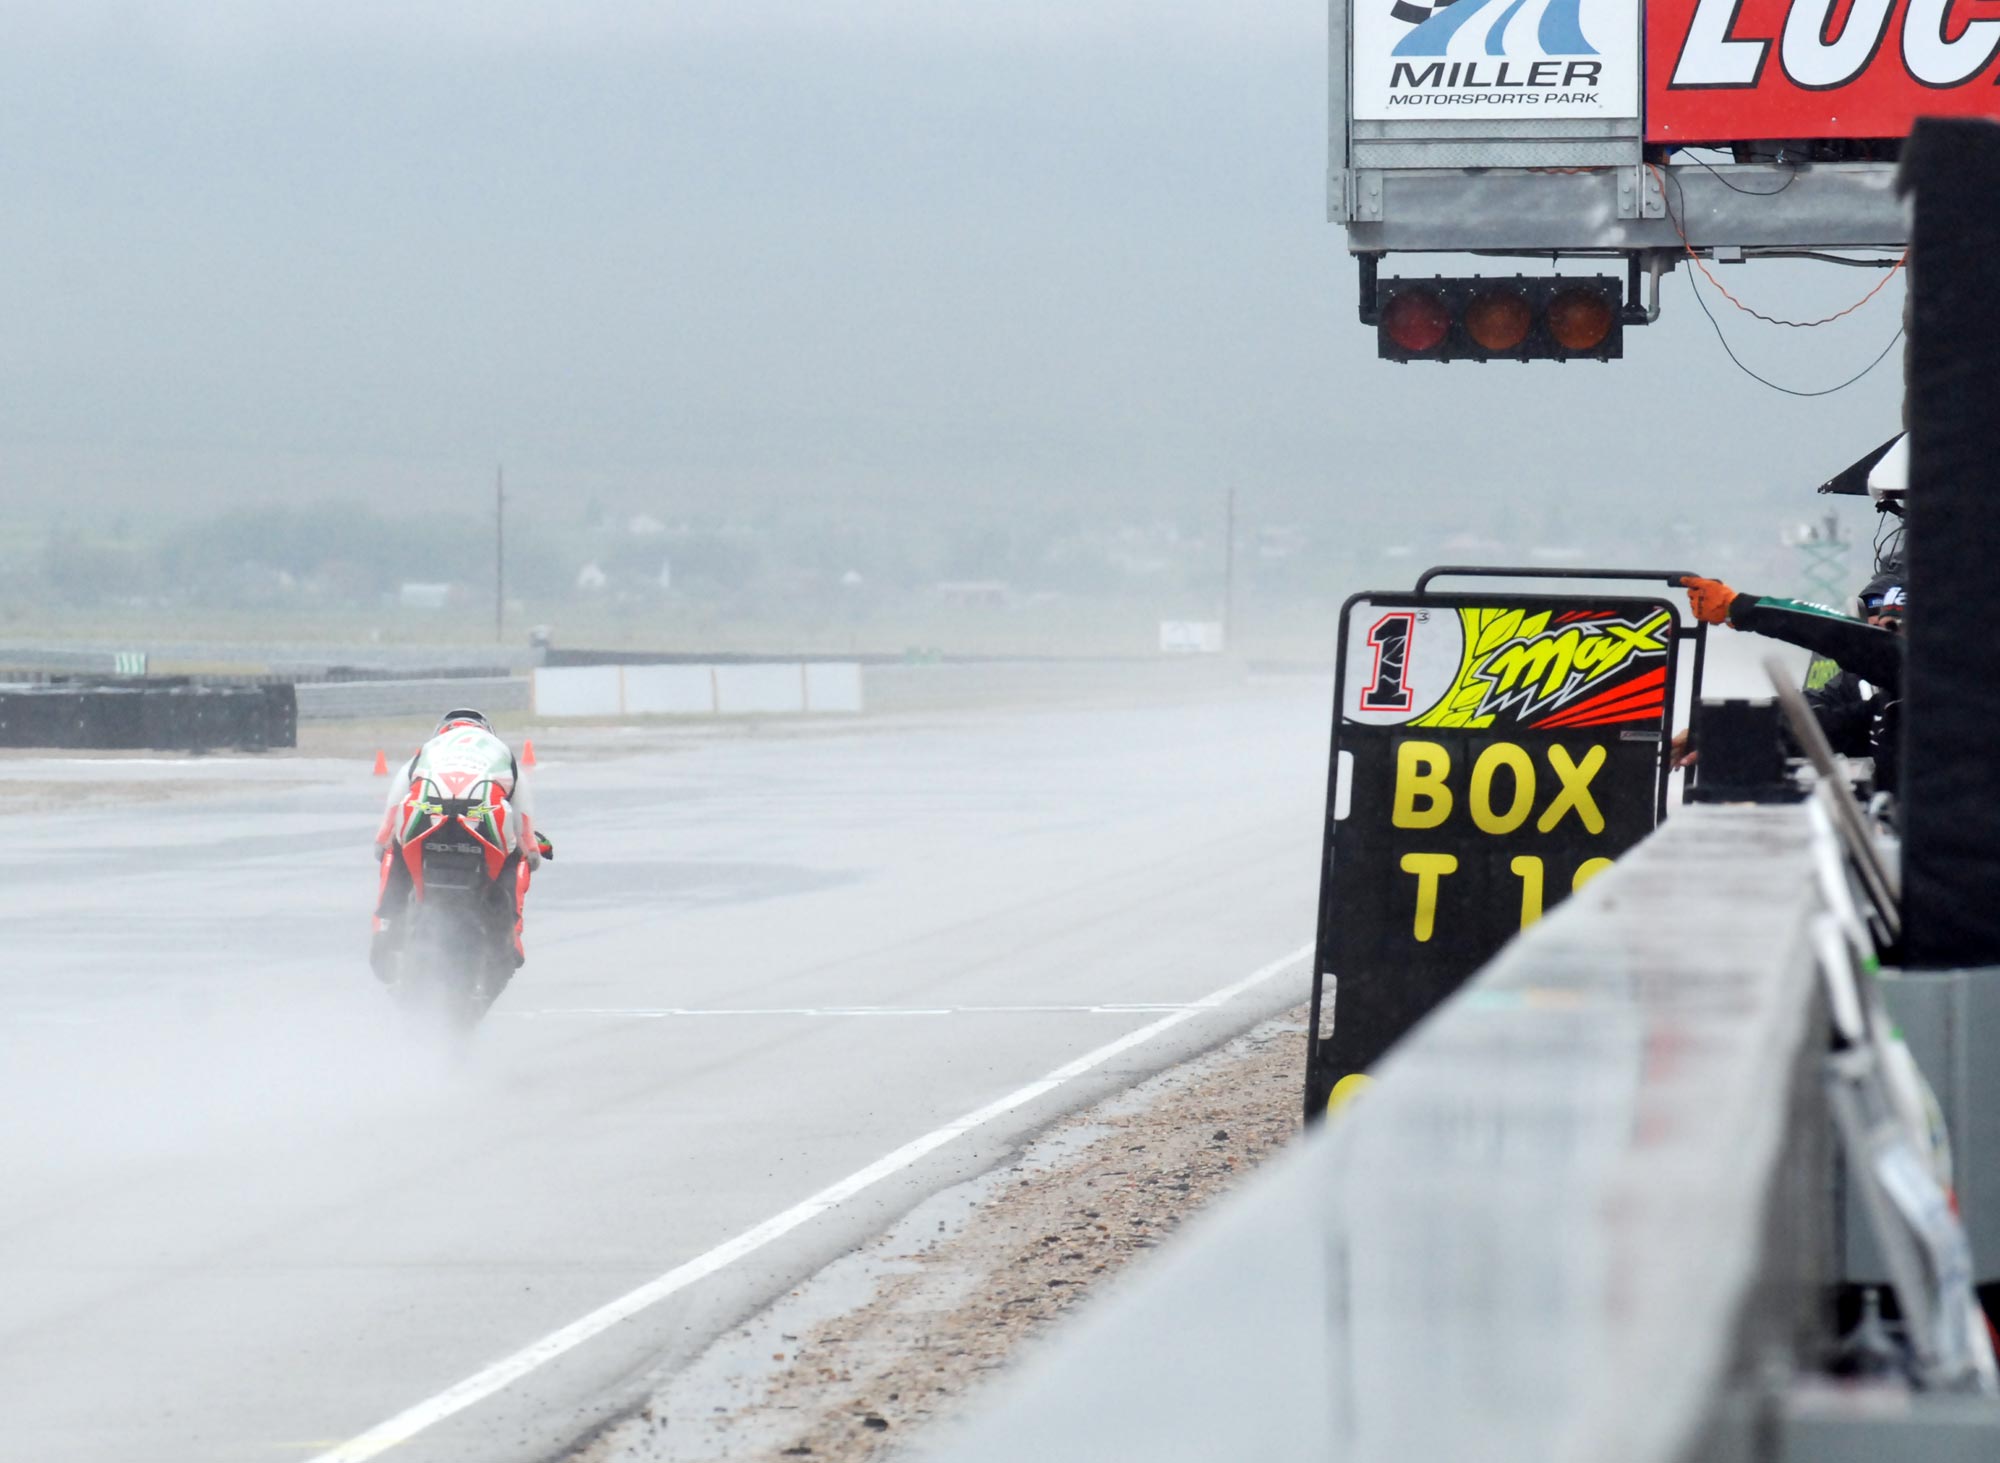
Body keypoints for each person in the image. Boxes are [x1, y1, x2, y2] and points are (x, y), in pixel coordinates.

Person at [1676, 565, 1906, 790]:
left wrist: (1740, 608)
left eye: (1896, 629)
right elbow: (1816, 728)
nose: (1886, 636)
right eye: (1883, 629)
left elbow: (1846, 638)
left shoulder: (1921, 677)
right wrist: (1717, 734)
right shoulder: (1886, 705)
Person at [371, 709, 551, 980]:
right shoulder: (503, 754)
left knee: (393, 847)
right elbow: (525, 828)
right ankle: (513, 935)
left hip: (425, 809)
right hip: (483, 815)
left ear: (442, 731)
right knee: (518, 858)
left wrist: (383, 845)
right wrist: (533, 852)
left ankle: (384, 923)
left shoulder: (425, 752)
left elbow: (388, 823)